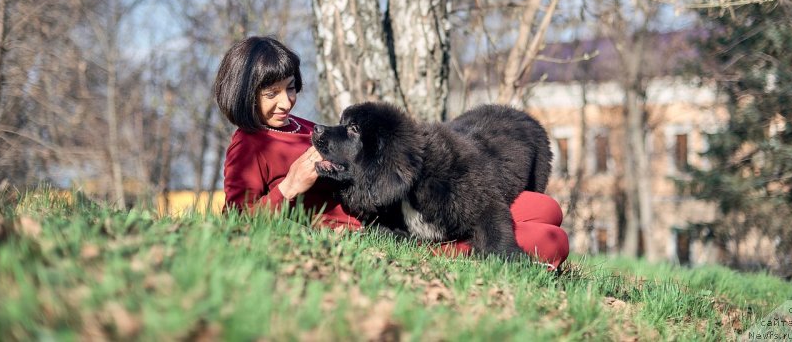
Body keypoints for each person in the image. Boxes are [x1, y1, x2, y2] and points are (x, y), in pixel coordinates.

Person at [213, 36, 569, 269]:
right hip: (374, 234)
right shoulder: (248, 147)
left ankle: (480, 238)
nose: (285, 101)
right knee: (548, 241)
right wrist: (288, 188)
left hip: (395, 213)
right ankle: (464, 254)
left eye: (290, 89)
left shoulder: (302, 126)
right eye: (270, 93)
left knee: (546, 208)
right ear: (243, 94)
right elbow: (235, 225)